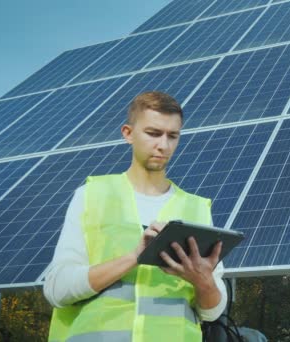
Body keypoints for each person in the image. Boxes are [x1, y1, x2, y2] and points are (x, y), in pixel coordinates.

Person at [44, 91, 227, 341]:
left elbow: (212, 312)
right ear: (128, 133)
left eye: (172, 136)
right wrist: (133, 257)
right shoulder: (91, 195)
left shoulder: (196, 208)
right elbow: (57, 289)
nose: (163, 145)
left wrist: (203, 281)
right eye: (153, 133)